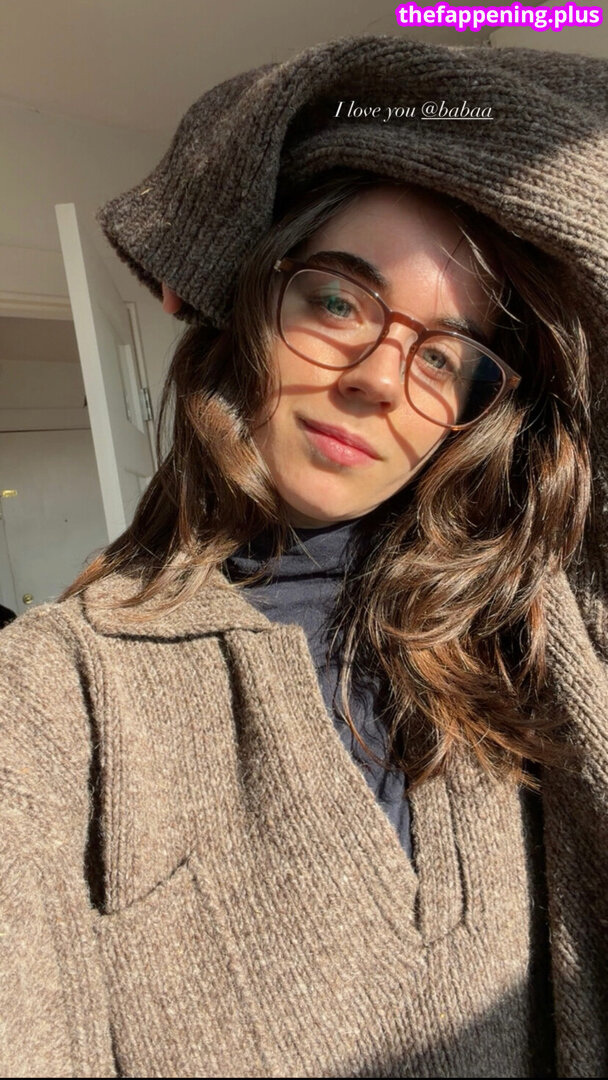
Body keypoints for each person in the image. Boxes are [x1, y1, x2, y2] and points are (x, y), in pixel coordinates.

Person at [1, 34, 607, 1079]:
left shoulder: (532, 625)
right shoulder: (57, 696)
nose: (377, 378)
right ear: (250, 306)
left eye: (444, 355)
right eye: (337, 300)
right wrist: (221, 212)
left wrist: (358, 101)